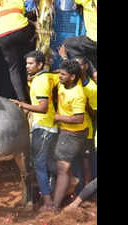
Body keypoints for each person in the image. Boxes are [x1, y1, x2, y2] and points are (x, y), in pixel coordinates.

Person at [10, 50, 59, 211]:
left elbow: (43, 108)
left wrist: (21, 104)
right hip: (49, 126)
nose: (27, 67)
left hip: (44, 126)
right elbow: (57, 76)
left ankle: (48, 202)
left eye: (31, 64)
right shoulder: (47, 76)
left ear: (40, 65)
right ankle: (61, 187)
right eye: (26, 64)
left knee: (38, 164)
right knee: (49, 163)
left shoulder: (41, 81)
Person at [50, 59, 88, 212]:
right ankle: (71, 180)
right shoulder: (63, 83)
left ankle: (54, 207)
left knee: (62, 168)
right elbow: (52, 75)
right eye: (59, 73)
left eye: (63, 74)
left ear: (72, 77)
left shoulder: (78, 93)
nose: (59, 76)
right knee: (58, 164)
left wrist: (59, 117)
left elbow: (79, 118)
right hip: (65, 132)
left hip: (73, 134)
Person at [0, 0, 35, 103]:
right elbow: (31, 11)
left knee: (13, 68)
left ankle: (22, 100)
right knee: (30, 54)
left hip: (0, 35)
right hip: (20, 29)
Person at [74, 56, 97, 186]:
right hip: (69, 129)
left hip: (86, 131)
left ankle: (85, 192)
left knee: (85, 162)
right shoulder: (70, 81)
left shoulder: (92, 88)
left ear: (86, 67)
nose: (77, 68)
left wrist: (86, 103)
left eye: (80, 65)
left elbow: (94, 115)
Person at [60, 0, 97, 80]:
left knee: (68, 44)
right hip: (91, 42)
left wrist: (64, 58)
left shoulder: (87, 2)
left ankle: (89, 72)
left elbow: (69, 5)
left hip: (93, 39)